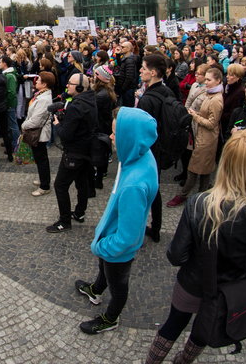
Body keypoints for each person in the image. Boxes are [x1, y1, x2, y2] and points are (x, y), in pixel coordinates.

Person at [144, 130, 246, 364]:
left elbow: (176, 255)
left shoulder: (199, 203)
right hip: (230, 288)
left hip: (192, 283)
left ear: (225, 163)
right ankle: (183, 361)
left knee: (173, 324)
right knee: (202, 331)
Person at [76, 107, 158, 334]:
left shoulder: (134, 184)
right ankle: (95, 289)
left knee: (118, 283)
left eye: (114, 133)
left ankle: (110, 318)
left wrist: (101, 245)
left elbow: (128, 237)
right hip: (112, 237)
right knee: (105, 268)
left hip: (118, 248)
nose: (111, 137)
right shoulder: (140, 153)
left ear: (129, 137)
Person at [46, 72, 97, 233]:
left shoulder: (76, 106)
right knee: (81, 183)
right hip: (86, 150)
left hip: (74, 152)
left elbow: (66, 134)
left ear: (80, 87)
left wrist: (58, 123)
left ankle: (64, 221)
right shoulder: (90, 99)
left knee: (60, 185)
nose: (67, 85)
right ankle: (80, 213)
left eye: (70, 84)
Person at [167, 66, 224, 208]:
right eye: (206, 79)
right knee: (203, 168)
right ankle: (202, 194)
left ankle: (184, 194)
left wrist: (195, 116)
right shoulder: (210, 93)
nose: (206, 82)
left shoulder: (217, 99)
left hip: (207, 137)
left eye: (209, 80)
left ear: (218, 81)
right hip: (201, 134)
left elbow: (212, 123)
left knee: (195, 167)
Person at [136, 53, 173, 242]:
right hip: (161, 148)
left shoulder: (147, 99)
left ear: (152, 72)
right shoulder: (167, 91)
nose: (140, 71)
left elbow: (141, 131)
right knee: (155, 189)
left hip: (149, 151)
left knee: (144, 191)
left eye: (143, 68)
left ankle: (140, 229)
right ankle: (156, 227)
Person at [21, 71, 55, 196]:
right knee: (40, 158)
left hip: (39, 133)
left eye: (39, 80)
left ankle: (45, 186)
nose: (36, 81)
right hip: (37, 132)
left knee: (42, 159)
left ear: (45, 84)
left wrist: (24, 125)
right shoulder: (41, 95)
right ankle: (43, 179)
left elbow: (36, 120)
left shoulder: (44, 99)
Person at [0, 56, 21, 149]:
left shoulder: (10, 76)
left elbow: (11, 92)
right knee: (9, 124)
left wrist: (6, 103)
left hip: (9, 104)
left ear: (4, 63)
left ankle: (16, 145)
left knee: (13, 125)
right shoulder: (6, 74)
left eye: (0, 62)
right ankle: (10, 141)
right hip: (8, 103)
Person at [115, 40, 140, 107]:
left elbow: (129, 76)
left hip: (128, 89)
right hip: (126, 88)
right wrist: (117, 55)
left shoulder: (130, 60)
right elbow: (121, 65)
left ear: (128, 49)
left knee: (127, 106)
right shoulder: (126, 57)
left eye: (123, 47)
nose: (121, 48)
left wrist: (123, 88)